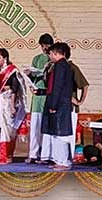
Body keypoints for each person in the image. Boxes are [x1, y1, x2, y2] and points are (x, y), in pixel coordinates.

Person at [32, 42, 75, 170]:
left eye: (50, 53)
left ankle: (63, 162)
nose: (49, 55)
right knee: (56, 133)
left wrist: (53, 105)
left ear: (56, 53)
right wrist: (40, 92)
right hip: (59, 102)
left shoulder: (61, 66)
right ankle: (60, 160)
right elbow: (52, 88)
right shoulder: (61, 66)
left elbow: (57, 88)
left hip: (60, 104)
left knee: (60, 134)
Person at [0, 48, 29, 164]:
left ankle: (6, 155)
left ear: (5, 59)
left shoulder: (11, 71)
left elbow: (15, 88)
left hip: (6, 103)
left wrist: (11, 106)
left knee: (5, 129)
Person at [24, 33, 54, 163]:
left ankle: (45, 155)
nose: (44, 48)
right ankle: (33, 154)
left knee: (46, 128)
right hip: (37, 97)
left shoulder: (53, 60)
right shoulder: (36, 58)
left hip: (47, 96)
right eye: (42, 45)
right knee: (35, 128)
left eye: (47, 45)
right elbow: (33, 78)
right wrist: (29, 74)